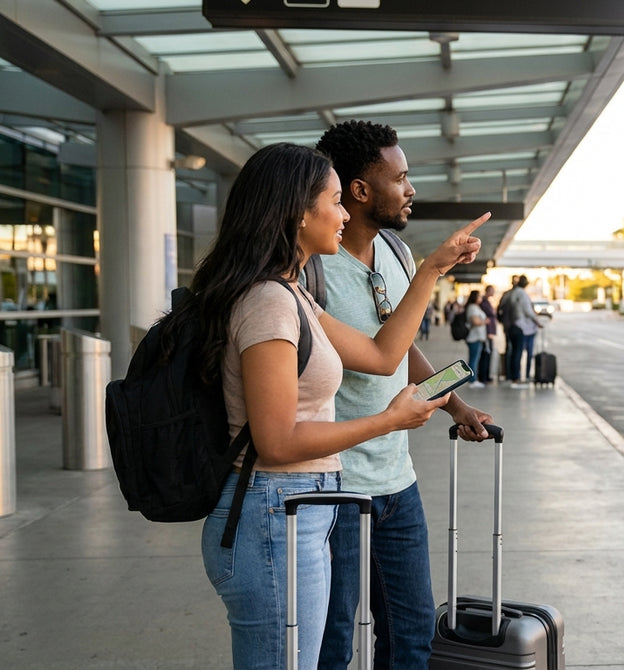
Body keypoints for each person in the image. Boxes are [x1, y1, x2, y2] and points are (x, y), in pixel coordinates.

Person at [177, 142, 485, 670]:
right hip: (273, 514)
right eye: (335, 200)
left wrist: (432, 269)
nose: (344, 214)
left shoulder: (293, 295)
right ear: (299, 211)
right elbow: (275, 442)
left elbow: (384, 354)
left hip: (302, 510)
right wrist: (389, 420)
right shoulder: (268, 303)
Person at [312, 120, 494, 670]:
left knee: (413, 634)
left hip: (398, 481)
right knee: (332, 642)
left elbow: (402, 342)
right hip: (336, 484)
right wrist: (436, 267)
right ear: (361, 190)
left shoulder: (394, 250)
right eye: (401, 177)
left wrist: (455, 404)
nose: (411, 189)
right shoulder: (310, 267)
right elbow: (378, 355)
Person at [505, 275, 540, 387]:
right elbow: (527, 311)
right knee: (518, 353)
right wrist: (537, 321)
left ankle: (512, 377)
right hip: (520, 326)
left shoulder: (510, 293)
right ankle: (517, 379)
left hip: (510, 326)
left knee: (513, 353)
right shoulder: (522, 294)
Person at [463, 289, 487, 388]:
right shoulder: (472, 308)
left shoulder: (475, 307)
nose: (481, 298)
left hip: (477, 337)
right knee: (474, 359)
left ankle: (473, 378)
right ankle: (472, 380)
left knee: (474, 358)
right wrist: (485, 321)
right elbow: (475, 321)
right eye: (479, 296)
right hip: (474, 337)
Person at [476, 285, 497, 384]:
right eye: (492, 291)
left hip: (489, 332)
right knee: (486, 354)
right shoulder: (484, 302)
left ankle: (486, 375)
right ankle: (483, 376)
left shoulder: (487, 301)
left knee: (488, 354)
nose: (494, 292)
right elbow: (490, 314)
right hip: (487, 332)